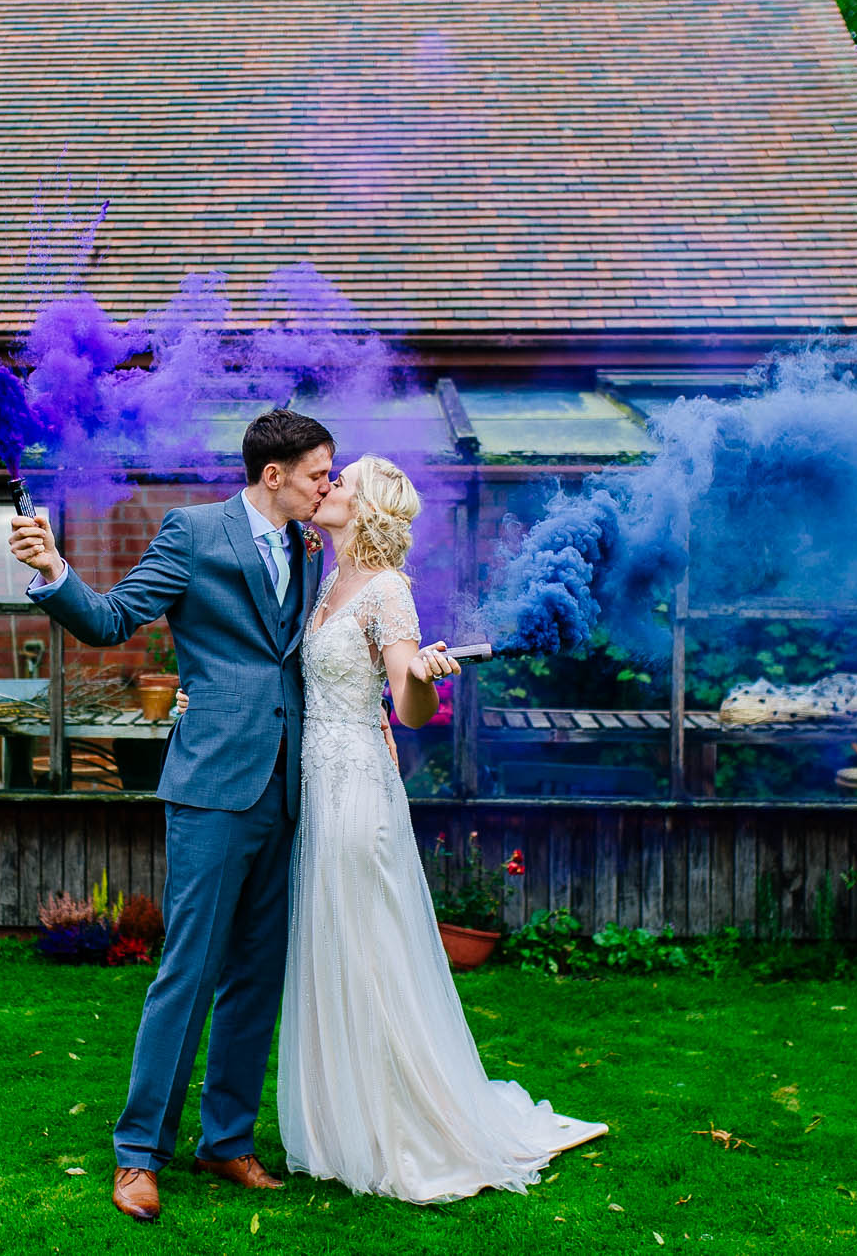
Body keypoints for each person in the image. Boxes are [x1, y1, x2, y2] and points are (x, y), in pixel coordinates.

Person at [8, 408, 334, 1223]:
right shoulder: (192, 533)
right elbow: (114, 618)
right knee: (188, 971)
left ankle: (226, 1139)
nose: (328, 485)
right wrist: (54, 570)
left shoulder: (305, 541)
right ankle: (136, 1154)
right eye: (318, 473)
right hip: (212, 785)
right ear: (274, 474)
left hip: (286, 786)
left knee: (258, 974)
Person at [276, 453, 608, 1203]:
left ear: (367, 508)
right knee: (331, 945)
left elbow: (408, 707)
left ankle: (405, 1129)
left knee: (370, 953)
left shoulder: (390, 591)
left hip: (358, 787)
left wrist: (421, 676)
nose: (328, 487)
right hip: (318, 784)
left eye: (342, 482)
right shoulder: (328, 577)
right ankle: (346, 1123)